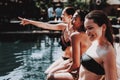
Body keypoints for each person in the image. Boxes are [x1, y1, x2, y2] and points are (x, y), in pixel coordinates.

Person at [18, 7, 76, 76]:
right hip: (63, 57)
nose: (61, 16)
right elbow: (46, 25)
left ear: (70, 16)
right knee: (47, 73)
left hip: (71, 59)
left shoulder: (76, 31)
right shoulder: (63, 27)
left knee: (51, 75)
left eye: (63, 14)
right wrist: (30, 22)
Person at [46, 9, 91, 80]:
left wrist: (65, 70)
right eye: (72, 18)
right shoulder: (90, 35)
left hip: (80, 73)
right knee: (50, 72)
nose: (72, 22)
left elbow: (76, 65)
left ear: (82, 22)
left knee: (50, 76)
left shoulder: (76, 36)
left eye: (75, 19)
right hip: (87, 69)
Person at [78, 10, 117, 80]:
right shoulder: (94, 43)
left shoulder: (108, 51)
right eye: (85, 29)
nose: (87, 32)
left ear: (103, 27)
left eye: (90, 28)